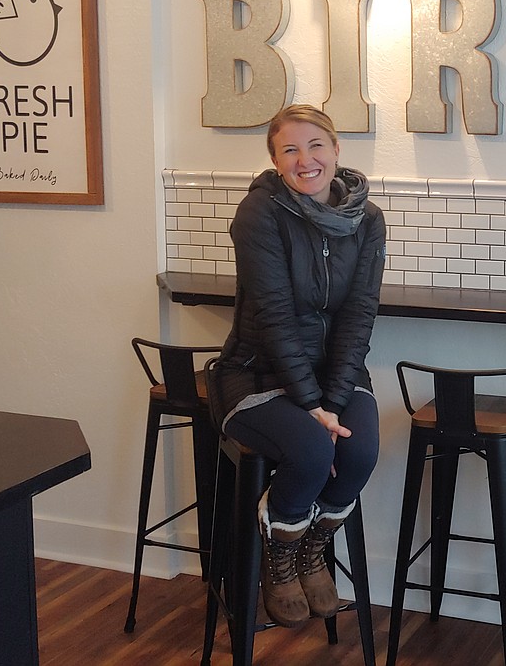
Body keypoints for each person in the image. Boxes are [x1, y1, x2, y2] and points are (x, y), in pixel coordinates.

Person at [207, 103, 386, 627]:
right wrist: (311, 408)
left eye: (315, 146)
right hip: (256, 373)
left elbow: (360, 314)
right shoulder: (259, 214)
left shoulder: (367, 219)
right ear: (276, 161)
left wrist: (332, 402)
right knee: (310, 451)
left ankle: (311, 546)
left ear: (336, 150)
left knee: (361, 451)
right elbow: (276, 317)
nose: (305, 160)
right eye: (290, 150)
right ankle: (278, 556)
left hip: (336, 376)